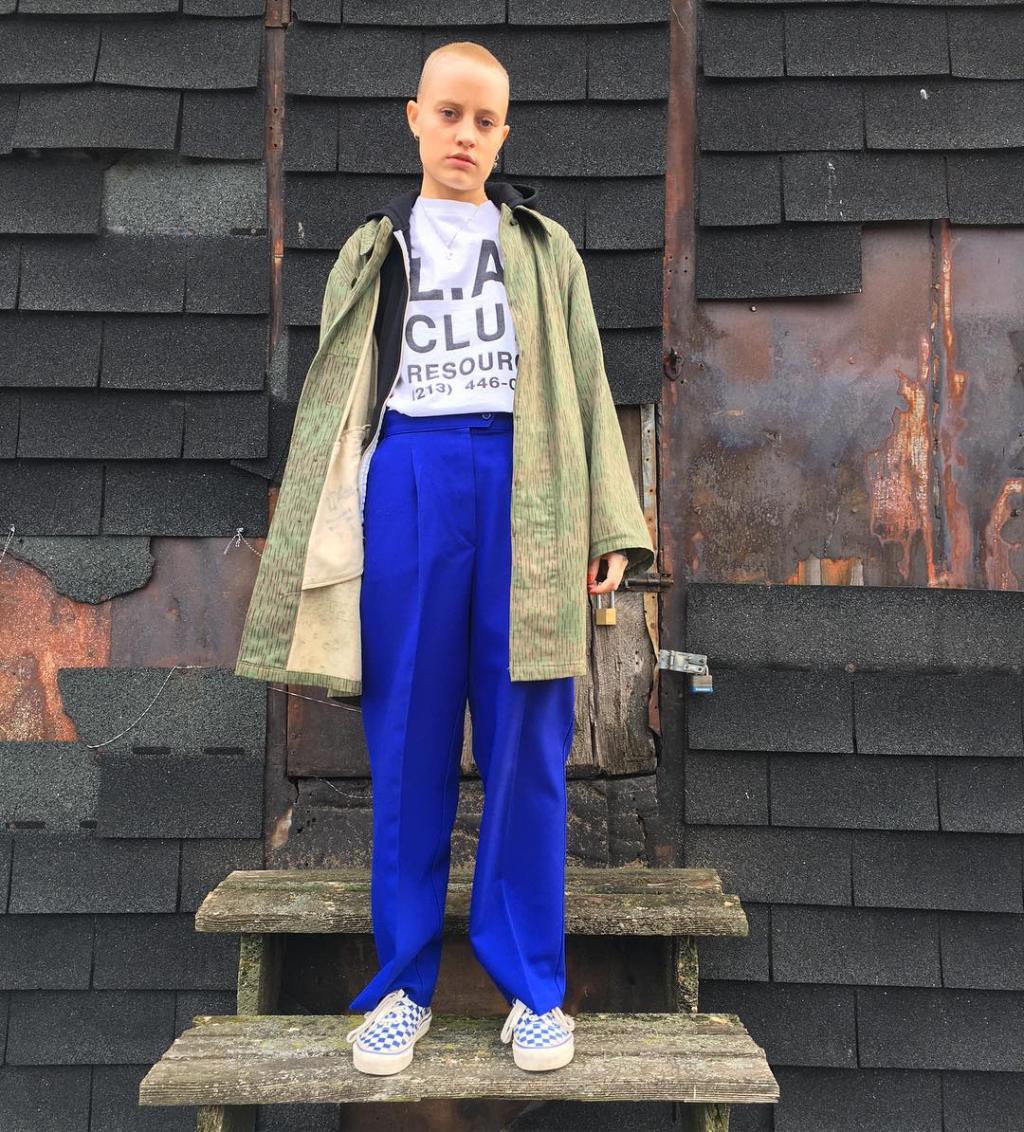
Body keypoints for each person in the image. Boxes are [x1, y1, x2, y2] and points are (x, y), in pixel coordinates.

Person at [300, 40, 654, 1077]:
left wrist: (609, 523)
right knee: (407, 738)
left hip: (526, 482)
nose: (464, 135)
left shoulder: (543, 247)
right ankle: (402, 985)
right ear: (414, 117)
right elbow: (335, 400)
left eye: (484, 120)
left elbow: (587, 381)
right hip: (410, 479)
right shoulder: (373, 248)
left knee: (528, 740)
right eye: (448, 114)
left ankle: (533, 988)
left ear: (504, 134)